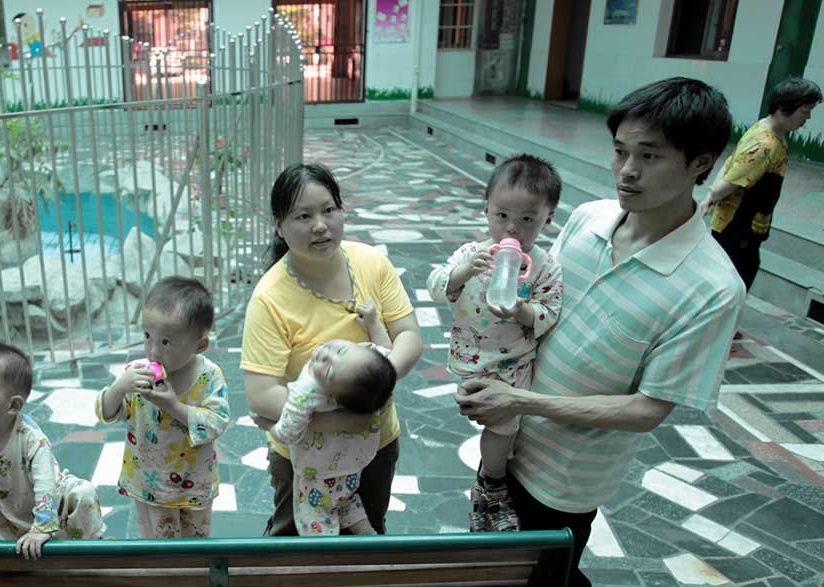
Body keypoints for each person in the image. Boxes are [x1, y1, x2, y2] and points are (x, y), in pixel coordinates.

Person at [455, 77, 745, 586]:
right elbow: (539, 306)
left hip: (564, 480)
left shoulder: (713, 287)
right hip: (503, 445)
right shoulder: (588, 219)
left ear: (702, 163)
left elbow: (647, 410)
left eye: (649, 157)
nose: (627, 172)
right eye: (619, 151)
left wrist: (521, 403)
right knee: (490, 568)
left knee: (541, 578)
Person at [242, 162, 423, 536]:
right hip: (305, 458)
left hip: (375, 445)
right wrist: (349, 418)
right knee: (295, 549)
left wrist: (377, 391)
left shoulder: (371, 262)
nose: (320, 225)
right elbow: (261, 395)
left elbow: (408, 336)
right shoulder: (270, 298)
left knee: (367, 540)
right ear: (279, 225)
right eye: (303, 216)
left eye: (329, 210)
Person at [426, 153, 563, 533]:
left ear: (547, 219)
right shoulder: (473, 254)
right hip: (472, 359)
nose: (511, 230)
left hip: (514, 364)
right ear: (486, 208)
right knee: (486, 415)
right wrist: (464, 271)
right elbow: (436, 285)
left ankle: (491, 483)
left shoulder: (545, 265)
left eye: (527, 220)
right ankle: (494, 477)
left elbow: (550, 312)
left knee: (505, 429)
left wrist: (522, 311)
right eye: (501, 216)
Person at [96, 276, 230, 538]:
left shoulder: (209, 376)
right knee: (159, 545)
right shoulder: (137, 374)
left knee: (196, 545)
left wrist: (173, 406)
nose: (153, 351)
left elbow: (217, 422)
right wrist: (120, 387)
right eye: (147, 336)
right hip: (149, 482)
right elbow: (109, 412)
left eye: (166, 342)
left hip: (194, 482)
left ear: (200, 345)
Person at [0, 343, 104, 560]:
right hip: (14, 518)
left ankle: (97, 551)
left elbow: (45, 484)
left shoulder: (31, 439)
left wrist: (42, 527)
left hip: (56, 505)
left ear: (13, 406)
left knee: (83, 492)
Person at [270, 307, 396, 535]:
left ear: (334, 395)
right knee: (345, 499)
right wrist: (374, 324)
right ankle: (369, 538)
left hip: (315, 476)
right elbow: (386, 352)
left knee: (316, 518)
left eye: (328, 372)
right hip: (350, 470)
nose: (325, 355)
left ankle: (326, 560)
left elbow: (288, 431)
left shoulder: (307, 392)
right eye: (339, 349)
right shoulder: (364, 365)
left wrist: (269, 426)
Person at [701, 77, 822, 291]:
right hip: (738, 226)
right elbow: (730, 180)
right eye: (805, 111)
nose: (808, 118)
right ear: (785, 108)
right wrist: (711, 197)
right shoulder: (764, 145)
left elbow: (731, 163)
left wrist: (711, 196)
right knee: (733, 281)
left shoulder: (766, 129)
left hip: (748, 225)